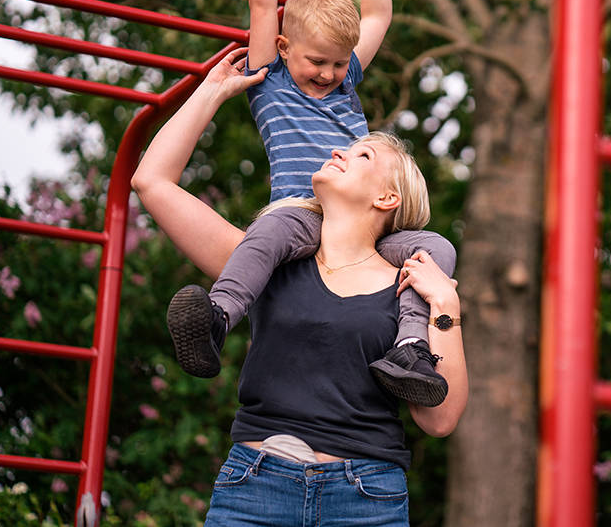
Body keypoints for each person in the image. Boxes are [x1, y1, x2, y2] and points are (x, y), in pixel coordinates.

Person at [130, 50, 467, 526]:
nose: (337, 150)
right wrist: (214, 90)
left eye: (360, 154)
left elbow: (439, 420)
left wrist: (446, 305)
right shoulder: (264, 261)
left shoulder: (410, 285)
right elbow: (151, 181)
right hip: (255, 489)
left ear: (387, 198)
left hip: (366, 499)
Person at [165, 0, 456, 407]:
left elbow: (378, 15)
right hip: (302, 211)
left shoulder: (347, 84)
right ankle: (219, 316)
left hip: (365, 223)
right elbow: (261, 5)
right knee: (266, 233)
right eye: (316, 61)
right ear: (282, 47)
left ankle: (411, 347)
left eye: (339, 64)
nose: (328, 74)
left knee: (434, 248)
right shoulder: (271, 81)